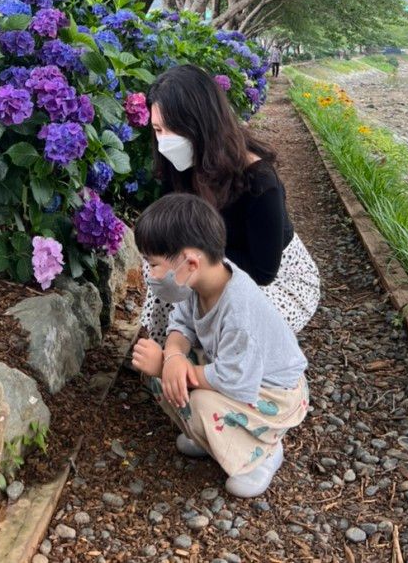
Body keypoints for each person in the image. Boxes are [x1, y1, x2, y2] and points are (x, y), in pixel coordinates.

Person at [132, 193, 310, 498]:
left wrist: (164, 365)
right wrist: (173, 355)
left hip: (276, 393)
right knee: (169, 382)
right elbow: (182, 322)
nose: (151, 275)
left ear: (189, 262)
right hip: (241, 372)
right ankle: (215, 438)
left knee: (198, 402)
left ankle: (260, 454)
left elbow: (235, 379)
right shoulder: (201, 280)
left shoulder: (239, 308)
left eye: (155, 265)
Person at [140, 64, 320, 346]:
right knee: (162, 267)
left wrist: (195, 259)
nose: (163, 141)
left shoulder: (260, 182)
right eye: (157, 130)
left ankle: (227, 373)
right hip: (206, 262)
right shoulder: (179, 164)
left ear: (199, 126)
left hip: (275, 281)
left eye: (170, 131)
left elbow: (264, 272)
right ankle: (164, 346)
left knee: (230, 319)